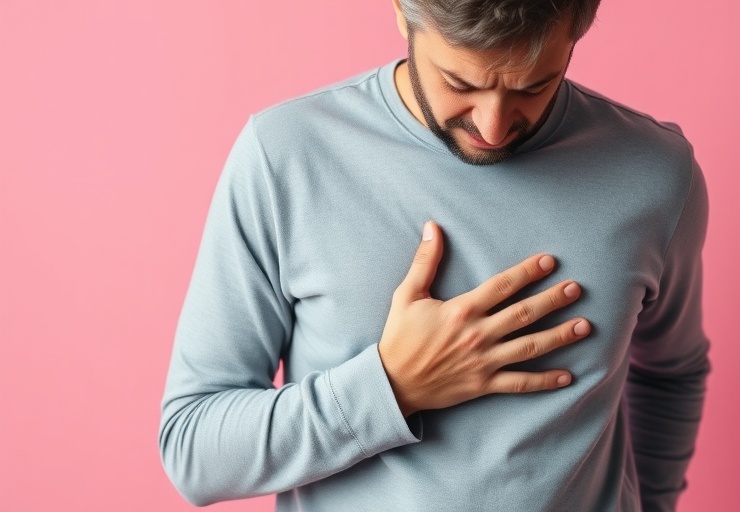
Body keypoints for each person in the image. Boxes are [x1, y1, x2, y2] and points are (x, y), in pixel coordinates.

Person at [158, 0, 711, 510]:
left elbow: (672, 371)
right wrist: (392, 386)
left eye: (533, 87)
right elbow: (195, 449)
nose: (492, 127)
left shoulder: (656, 174)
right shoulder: (288, 156)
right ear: (402, 12)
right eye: (459, 82)